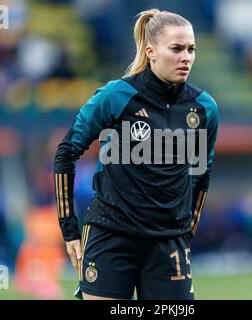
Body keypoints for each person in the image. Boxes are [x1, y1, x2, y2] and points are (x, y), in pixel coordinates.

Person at [54, 8, 219, 300]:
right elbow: (66, 152)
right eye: (177, 49)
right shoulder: (116, 96)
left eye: (191, 49)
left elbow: (201, 175)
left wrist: (185, 233)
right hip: (110, 235)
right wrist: (69, 230)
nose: (186, 57)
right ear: (151, 51)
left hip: (168, 244)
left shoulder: (204, 108)